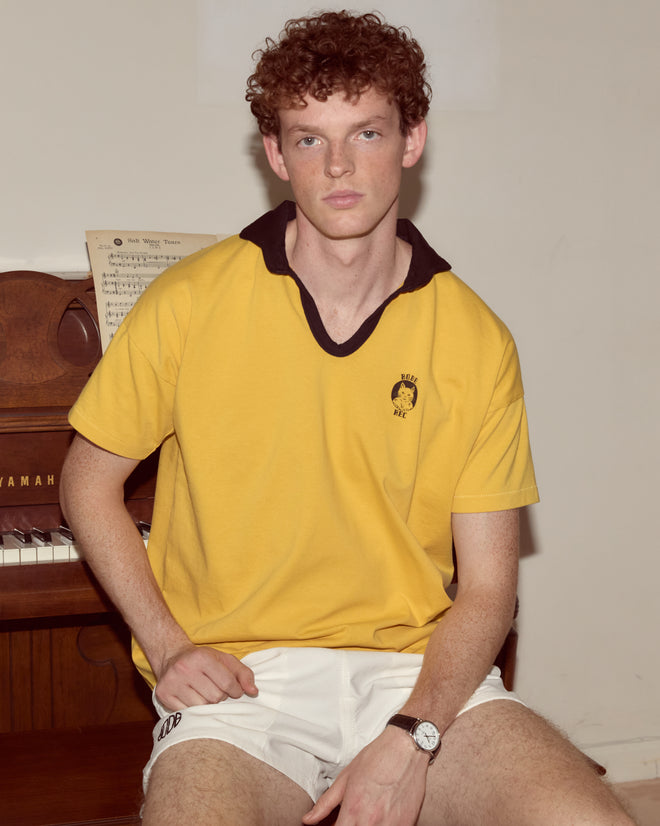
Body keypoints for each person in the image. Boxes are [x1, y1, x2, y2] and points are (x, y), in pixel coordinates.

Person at [60, 11, 634, 826]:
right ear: (273, 153)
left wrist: (414, 730)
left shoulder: (475, 338)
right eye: (307, 138)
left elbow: (491, 587)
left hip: (421, 678)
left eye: (365, 133)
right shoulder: (189, 302)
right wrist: (168, 643)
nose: (337, 165)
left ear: (411, 140)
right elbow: (88, 480)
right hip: (242, 688)